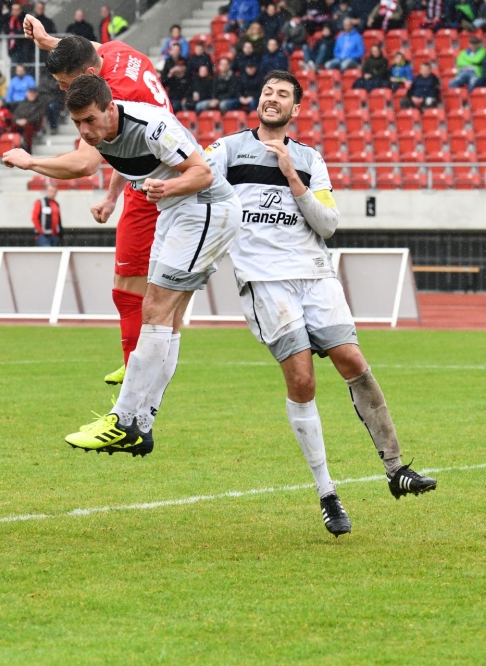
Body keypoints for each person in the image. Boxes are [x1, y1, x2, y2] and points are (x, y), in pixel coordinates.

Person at [210, 70, 437, 535]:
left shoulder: (310, 159)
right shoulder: (227, 151)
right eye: (267, 92)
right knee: (302, 379)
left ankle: (396, 470)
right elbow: (201, 189)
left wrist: (292, 176)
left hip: (314, 276)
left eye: (282, 96)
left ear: (296, 110)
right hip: (265, 282)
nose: (271, 99)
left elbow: (328, 223)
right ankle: (327, 493)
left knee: (352, 359)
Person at [52, 75, 239, 455]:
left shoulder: (152, 126)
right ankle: (141, 427)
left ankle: (121, 419)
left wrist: (165, 188)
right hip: (176, 212)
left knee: (153, 310)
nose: (85, 131)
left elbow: (202, 172)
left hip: (204, 209)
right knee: (166, 321)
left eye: (89, 120)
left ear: (109, 108)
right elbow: (125, 159)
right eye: (77, 124)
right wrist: (110, 199)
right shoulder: (106, 131)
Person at [13, 23, 173, 386]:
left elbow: (85, 164)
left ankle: (141, 372)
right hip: (147, 171)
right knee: (132, 285)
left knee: (140, 288)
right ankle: (138, 361)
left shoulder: (113, 95)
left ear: (87, 74)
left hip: (158, 186)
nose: (63, 89)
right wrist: (48, 41)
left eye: (66, 83)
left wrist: (30, 162)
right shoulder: (117, 52)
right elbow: (130, 148)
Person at [13, 87, 45, 151]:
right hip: (20, 123)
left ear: (36, 94)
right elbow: (15, 113)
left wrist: (26, 120)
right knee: (12, 127)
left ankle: (28, 149)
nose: (31, 95)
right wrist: (17, 120)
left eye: (33, 93)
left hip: (33, 124)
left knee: (28, 128)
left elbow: (37, 116)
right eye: (30, 93)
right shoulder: (22, 103)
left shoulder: (39, 104)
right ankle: (14, 146)